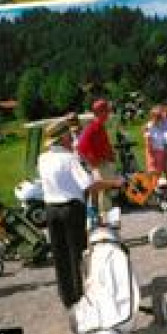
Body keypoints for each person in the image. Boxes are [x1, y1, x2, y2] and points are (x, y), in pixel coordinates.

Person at [37, 115, 120, 308]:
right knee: (78, 253)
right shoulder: (68, 159)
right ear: (63, 138)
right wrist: (115, 182)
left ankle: (67, 298)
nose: (71, 139)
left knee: (60, 255)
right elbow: (89, 184)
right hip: (70, 209)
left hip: (51, 209)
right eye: (68, 136)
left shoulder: (42, 159)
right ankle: (81, 296)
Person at [75, 99, 117, 213]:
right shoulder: (95, 127)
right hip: (99, 163)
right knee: (104, 189)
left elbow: (103, 145)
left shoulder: (96, 126)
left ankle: (100, 213)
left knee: (101, 189)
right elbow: (82, 147)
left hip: (99, 162)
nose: (108, 114)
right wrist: (95, 162)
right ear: (99, 112)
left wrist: (110, 154)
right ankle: (105, 214)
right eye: (106, 111)